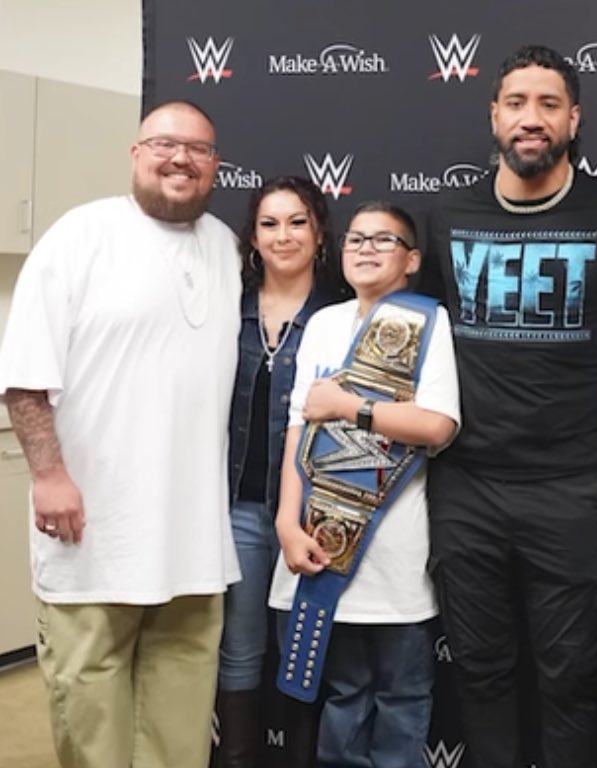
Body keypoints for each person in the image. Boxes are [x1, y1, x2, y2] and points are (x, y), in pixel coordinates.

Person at [418, 44, 597, 767]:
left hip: (573, 484)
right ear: (493, 115)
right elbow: (412, 335)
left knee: (570, 681)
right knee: (482, 676)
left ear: (573, 118)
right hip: (467, 486)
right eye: (516, 103)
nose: (531, 118)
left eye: (548, 104)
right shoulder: (448, 215)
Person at [0, 101, 241, 768]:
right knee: (91, 711)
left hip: (191, 543)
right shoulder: (81, 237)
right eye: (164, 143)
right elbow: (23, 378)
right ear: (136, 153)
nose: (180, 158)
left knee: (180, 725)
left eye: (198, 148)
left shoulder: (224, 246)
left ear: (215, 165)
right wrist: (48, 475)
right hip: (94, 533)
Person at [269, 202, 459, 767]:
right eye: (356, 239)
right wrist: (285, 519)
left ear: (412, 260)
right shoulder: (324, 323)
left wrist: (351, 407)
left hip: (396, 559)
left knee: (402, 701)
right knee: (343, 698)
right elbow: (298, 433)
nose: (367, 249)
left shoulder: (430, 322)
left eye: (384, 240)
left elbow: (437, 426)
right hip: (322, 544)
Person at [216, 176, 347, 766]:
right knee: (240, 655)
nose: (283, 235)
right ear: (252, 237)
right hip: (239, 511)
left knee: (304, 657)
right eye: (269, 223)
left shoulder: (344, 313)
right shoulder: (227, 308)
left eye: (297, 221)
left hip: (316, 511)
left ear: (319, 234)